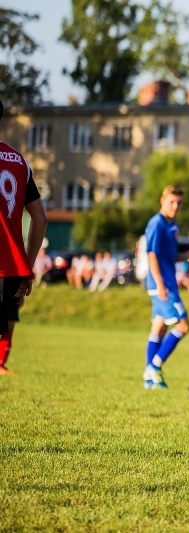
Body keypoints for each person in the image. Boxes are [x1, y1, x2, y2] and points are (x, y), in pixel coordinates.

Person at [0, 98, 48, 375]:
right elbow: (40, 217)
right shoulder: (18, 160)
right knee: (6, 324)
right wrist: (27, 267)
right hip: (13, 266)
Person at [142, 185, 189, 389]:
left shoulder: (172, 225)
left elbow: (170, 256)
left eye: (179, 203)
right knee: (184, 326)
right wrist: (160, 284)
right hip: (162, 284)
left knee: (159, 326)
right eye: (171, 202)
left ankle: (150, 380)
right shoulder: (157, 223)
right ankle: (154, 367)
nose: (175, 206)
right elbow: (152, 255)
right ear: (162, 200)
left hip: (166, 282)